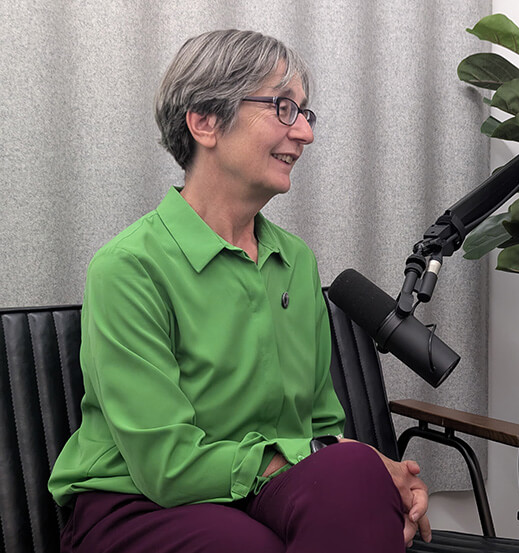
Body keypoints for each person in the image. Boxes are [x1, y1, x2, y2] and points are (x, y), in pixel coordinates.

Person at [48, 29, 431, 552]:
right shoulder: (129, 269)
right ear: (205, 121)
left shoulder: (296, 262)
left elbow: (319, 428)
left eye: (305, 113)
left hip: (263, 490)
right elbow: (168, 467)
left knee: (352, 476)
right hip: (134, 503)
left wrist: (378, 474)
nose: (306, 134)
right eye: (283, 107)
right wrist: (336, 458)